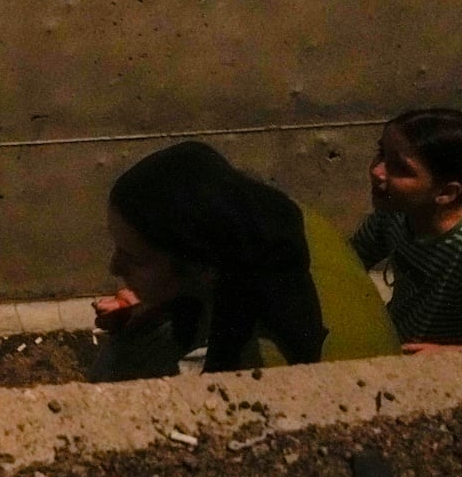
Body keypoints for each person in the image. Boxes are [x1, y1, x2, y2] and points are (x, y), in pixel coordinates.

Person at [92, 141, 400, 379]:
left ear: (201, 268)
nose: (114, 268)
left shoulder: (261, 362)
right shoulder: (250, 216)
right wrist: (156, 296)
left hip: (332, 381)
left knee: (121, 359)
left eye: (134, 259)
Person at [350, 108, 462, 352]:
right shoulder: (394, 214)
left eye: (400, 168)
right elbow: (352, 260)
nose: (377, 171)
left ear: (445, 192)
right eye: (382, 153)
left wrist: (448, 355)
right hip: (398, 338)